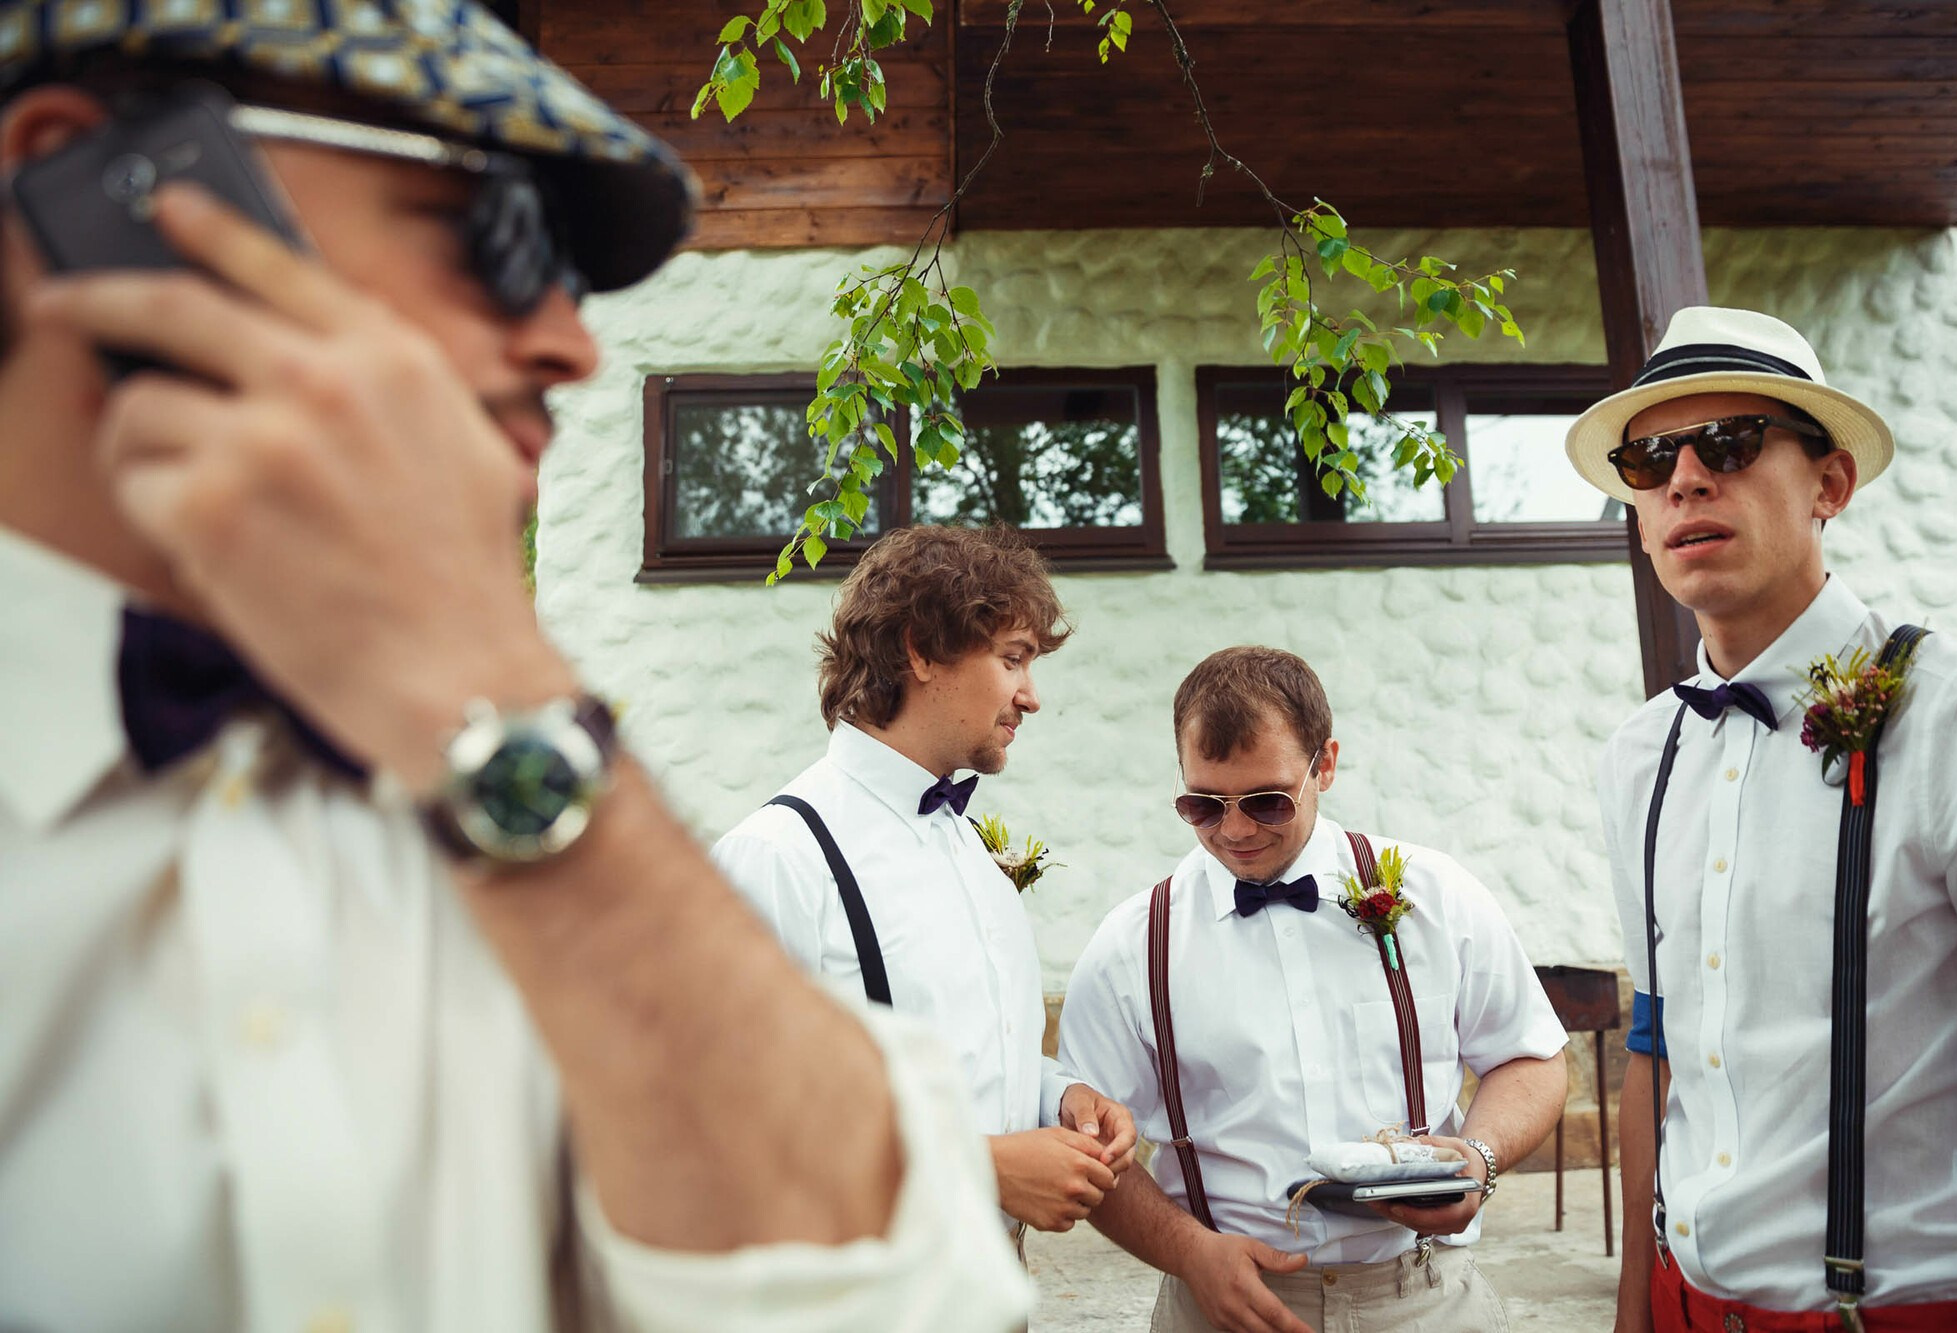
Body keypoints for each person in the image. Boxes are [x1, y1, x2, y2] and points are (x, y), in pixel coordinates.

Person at [0, 4, 1032, 1329]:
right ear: (84, 189)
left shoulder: (533, 823)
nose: (573, 344)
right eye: (491, 228)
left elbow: (922, 1307)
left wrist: (491, 697)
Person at [1565, 306, 1957, 1332]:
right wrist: (1634, 1310)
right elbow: (1652, 1046)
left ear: (1828, 485)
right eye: (1649, 455)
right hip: (1684, 1304)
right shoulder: (1639, 756)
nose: (1682, 478)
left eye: (1727, 443)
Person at [1056, 645, 1568, 1333]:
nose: (1235, 829)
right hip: (1224, 1305)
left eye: (1266, 801)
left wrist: (1479, 1156)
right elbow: (1085, 1146)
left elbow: (1529, 1057)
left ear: (1324, 763)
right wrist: (1190, 1252)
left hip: (1426, 1298)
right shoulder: (1132, 944)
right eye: (1203, 805)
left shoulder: (1436, 894)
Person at [712, 524, 1139, 1254]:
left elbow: (967, 1054)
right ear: (919, 649)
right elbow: (728, 1121)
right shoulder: (777, 858)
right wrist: (981, 1164)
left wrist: (1058, 1096)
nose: (1031, 696)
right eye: (1013, 659)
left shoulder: (971, 851)